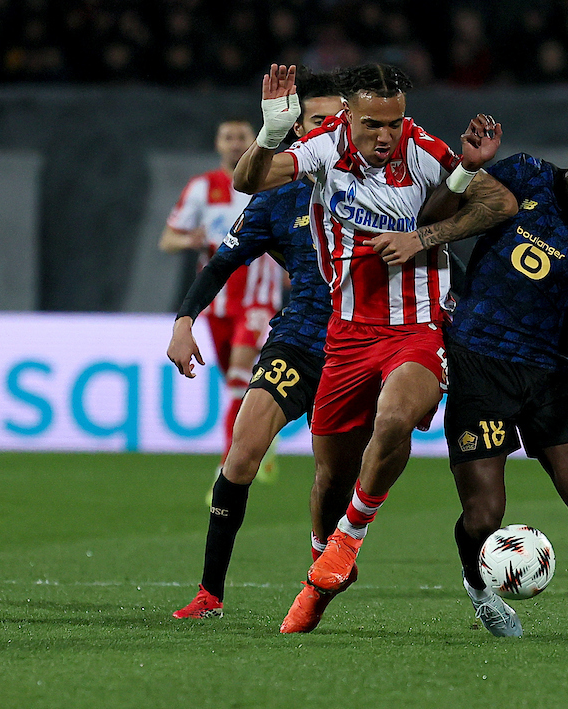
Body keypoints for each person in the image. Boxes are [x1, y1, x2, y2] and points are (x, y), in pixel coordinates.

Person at [232, 63, 519, 632]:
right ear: (348, 116)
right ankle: (324, 564)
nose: (385, 135)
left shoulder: (424, 149)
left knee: (395, 418)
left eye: (394, 122)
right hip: (345, 336)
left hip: (417, 329)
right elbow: (249, 182)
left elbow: (501, 204)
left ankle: (349, 539)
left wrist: (424, 237)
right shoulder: (323, 147)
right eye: (372, 124)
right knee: (330, 479)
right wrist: (271, 133)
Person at [390, 127, 568, 640]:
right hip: (479, 364)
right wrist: (468, 169)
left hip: (551, 377)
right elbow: (433, 218)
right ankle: (481, 591)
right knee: (483, 516)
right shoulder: (523, 175)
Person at [168, 70, 346, 620]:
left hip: (359, 346)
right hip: (298, 338)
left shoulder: (382, 187)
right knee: (242, 454)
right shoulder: (276, 198)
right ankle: (210, 594)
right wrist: (184, 320)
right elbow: (221, 262)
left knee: (333, 476)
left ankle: (324, 565)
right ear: (299, 129)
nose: (332, 128)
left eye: (340, 119)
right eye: (320, 119)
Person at [160, 119, 286, 473]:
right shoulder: (202, 187)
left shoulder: (273, 180)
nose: (234, 144)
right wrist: (189, 240)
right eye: (227, 137)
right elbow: (167, 240)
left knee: (237, 381)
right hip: (218, 302)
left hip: (260, 298)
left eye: (241, 137)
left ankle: (228, 466)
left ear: (254, 140)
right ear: (217, 144)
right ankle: (262, 437)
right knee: (238, 383)